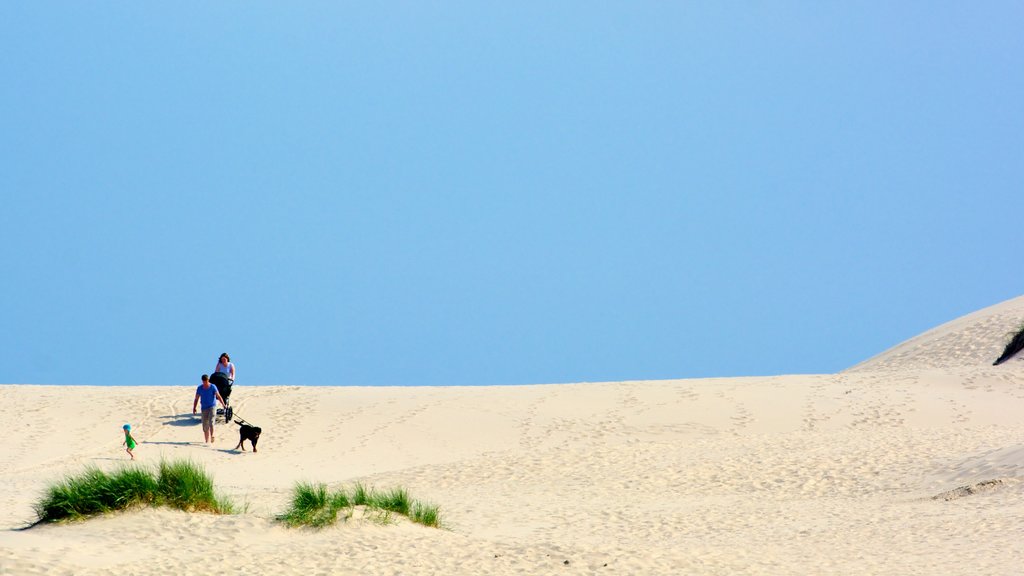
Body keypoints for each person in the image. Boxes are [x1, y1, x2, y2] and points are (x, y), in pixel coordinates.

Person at [193, 374, 226, 443]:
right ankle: (206, 440)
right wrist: (194, 407)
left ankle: (212, 435)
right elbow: (196, 398)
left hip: (212, 406)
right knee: (205, 425)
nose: (205, 383)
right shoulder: (200, 388)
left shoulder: (213, 387)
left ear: (208, 380)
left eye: (206, 381)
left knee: (211, 421)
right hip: (204, 408)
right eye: (204, 381)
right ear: (202, 381)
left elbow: (218, 396)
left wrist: (223, 404)